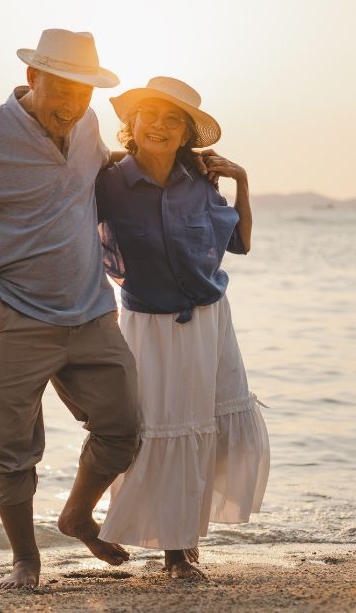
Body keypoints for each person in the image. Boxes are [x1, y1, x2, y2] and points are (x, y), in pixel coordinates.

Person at [0, 29, 140, 590]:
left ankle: (77, 515)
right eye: (61, 88)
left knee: (124, 428)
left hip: (90, 313)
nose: (71, 103)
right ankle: (25, 561)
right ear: (33, 78)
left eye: (82, 92)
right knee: (10, 452)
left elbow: (100, 178)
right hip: (15, 318)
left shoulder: (85, 122)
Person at [94, 77, 270, 580]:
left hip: (212, 318)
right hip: (151, 324)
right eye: (152, 115)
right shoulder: (108, 183)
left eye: (175, 120)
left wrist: (243, 180)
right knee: (166, 427)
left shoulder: (199, 181)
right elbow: (67, 230)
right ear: (133, 124)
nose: (161, 126)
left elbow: (241, 242)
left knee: (207, 427)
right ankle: (172, 552)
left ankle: (185, 541)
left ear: (186, 134)